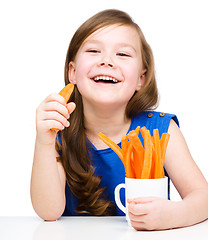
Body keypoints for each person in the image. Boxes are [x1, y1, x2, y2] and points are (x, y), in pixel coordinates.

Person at [31, 9, 208, 230]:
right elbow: (48, 212)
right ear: (73, 72)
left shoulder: (162, 130)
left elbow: (203, 198)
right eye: (94, 50)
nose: (107, 61)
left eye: (122, 54)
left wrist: (172, 215)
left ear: (141, 79)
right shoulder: (59, 131)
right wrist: (44, 141)